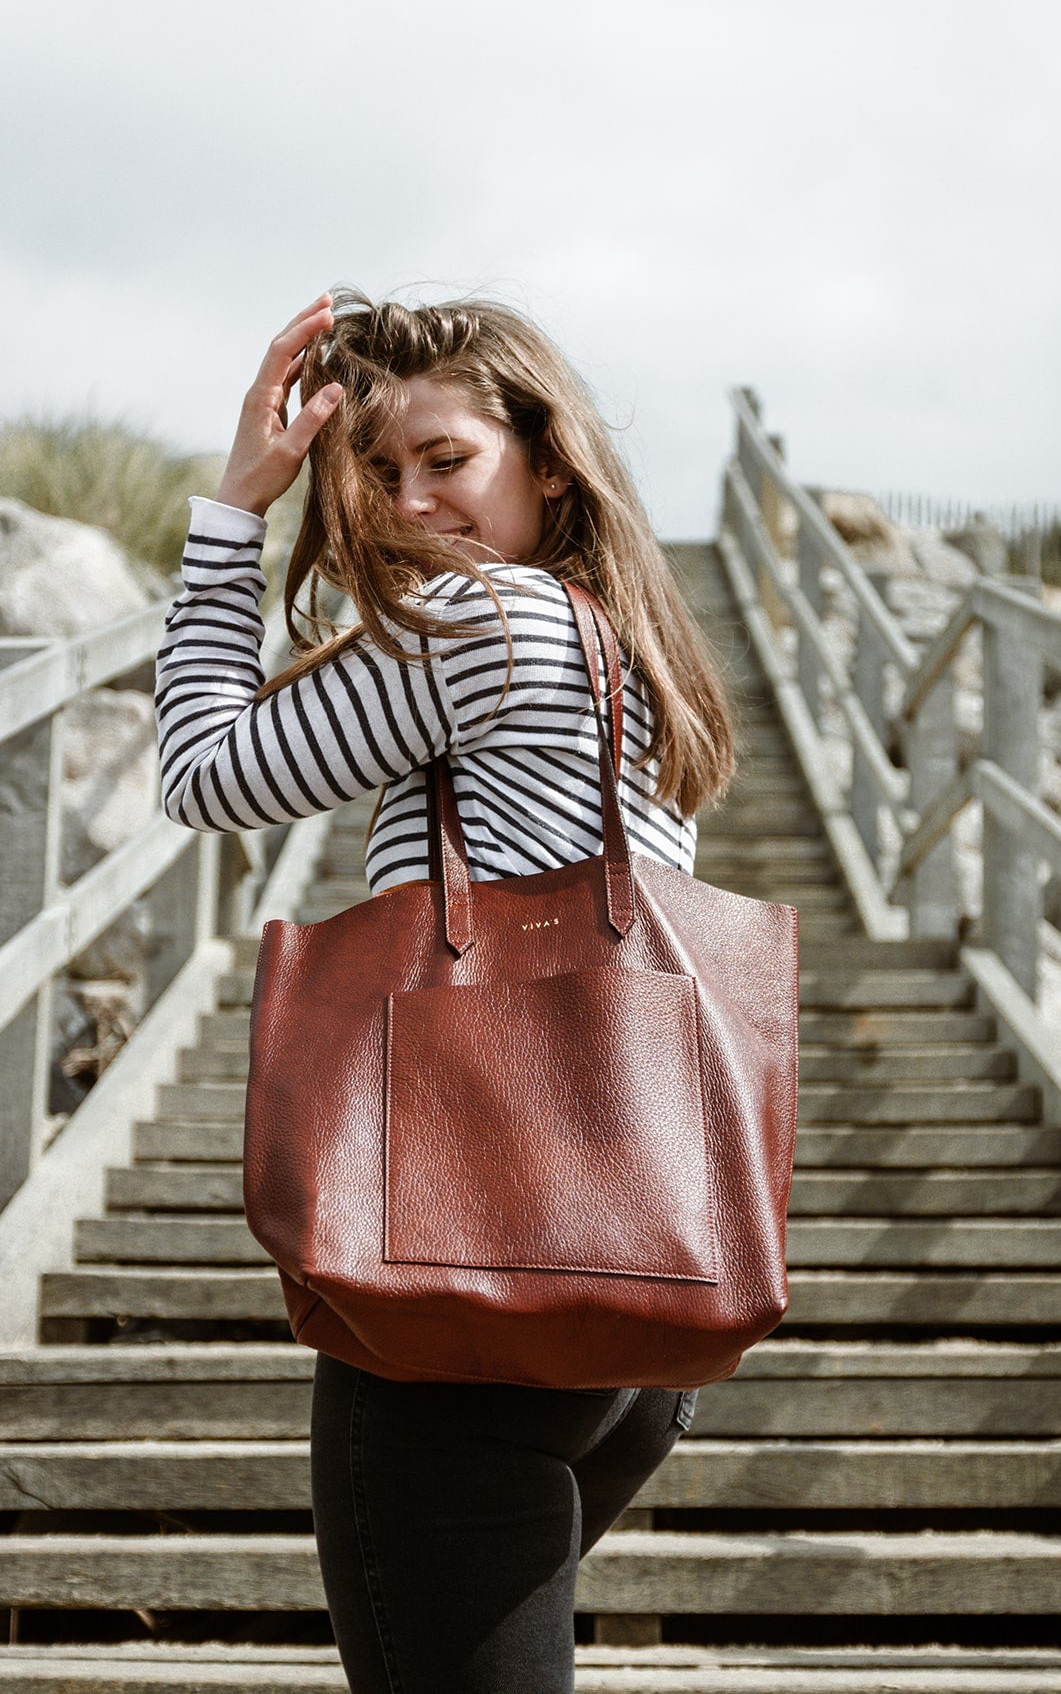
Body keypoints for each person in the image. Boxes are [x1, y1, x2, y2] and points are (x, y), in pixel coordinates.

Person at [153, 286, 737, 1693]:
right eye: (382, 474)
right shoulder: (634, 651)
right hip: (627, 1330)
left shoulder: (485, 625)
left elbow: (206, 772)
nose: (411, 504)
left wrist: (239, 504)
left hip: (461, 1306)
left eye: (446, 461)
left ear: (546, 456)